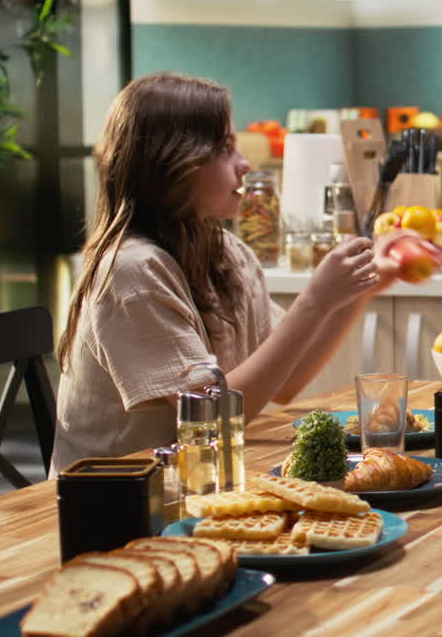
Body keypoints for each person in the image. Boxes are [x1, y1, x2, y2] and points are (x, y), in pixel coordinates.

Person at [52, 72, 397, 472]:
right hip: (116, 506)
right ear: (175, 164)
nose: (245, 164)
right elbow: (211, 421)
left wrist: (359, 290)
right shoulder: (131, 271)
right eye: (226, 149)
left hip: (194, 484)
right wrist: (316, 299)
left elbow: (287, 380)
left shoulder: (225, 251)